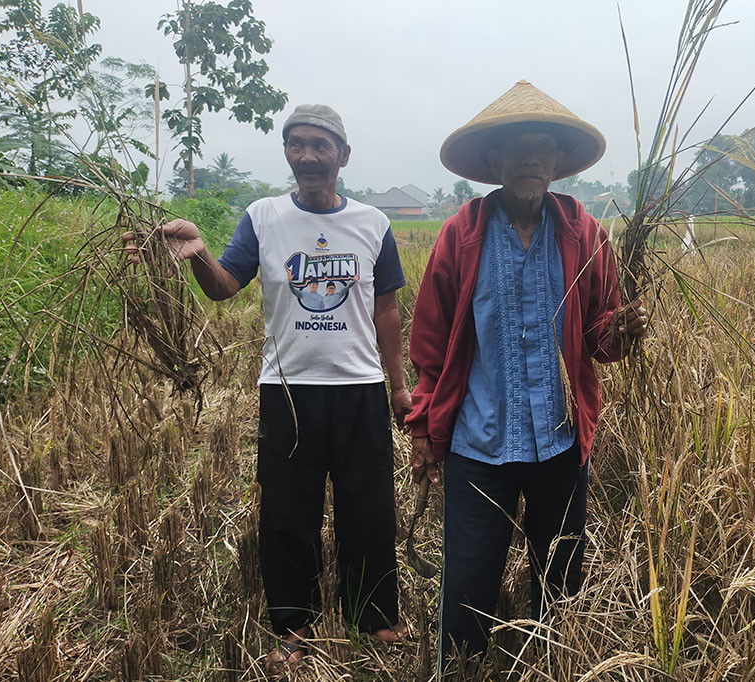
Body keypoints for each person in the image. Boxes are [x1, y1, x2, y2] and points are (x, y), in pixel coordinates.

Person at [125, 104, 410, 673]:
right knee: (287, 513)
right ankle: (293, 625)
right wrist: (198, 252)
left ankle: (375, 617)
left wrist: (398, 389)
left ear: (343, 157)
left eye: (320, 146)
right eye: (296, 144)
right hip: (288, 390)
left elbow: (386, 313)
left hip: (359, 387)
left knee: (369, 507)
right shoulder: (264, 216)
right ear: (287, 153)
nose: (307, 156)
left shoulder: (373, 225)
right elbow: (225, 286)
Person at [405, 81, 648, 668]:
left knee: (561, 575)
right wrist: (421, 428)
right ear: (494, 162)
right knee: (467, 578)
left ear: (559, 163)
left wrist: (624, 330)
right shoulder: (461, 234)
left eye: (544, 149)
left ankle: (555, 661)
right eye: (518, 149)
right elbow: (430, 344)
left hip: (560, 441)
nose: (532, 160)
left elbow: (599, 337)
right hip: (478, 441)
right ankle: (461, 666)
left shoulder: (584, 233)